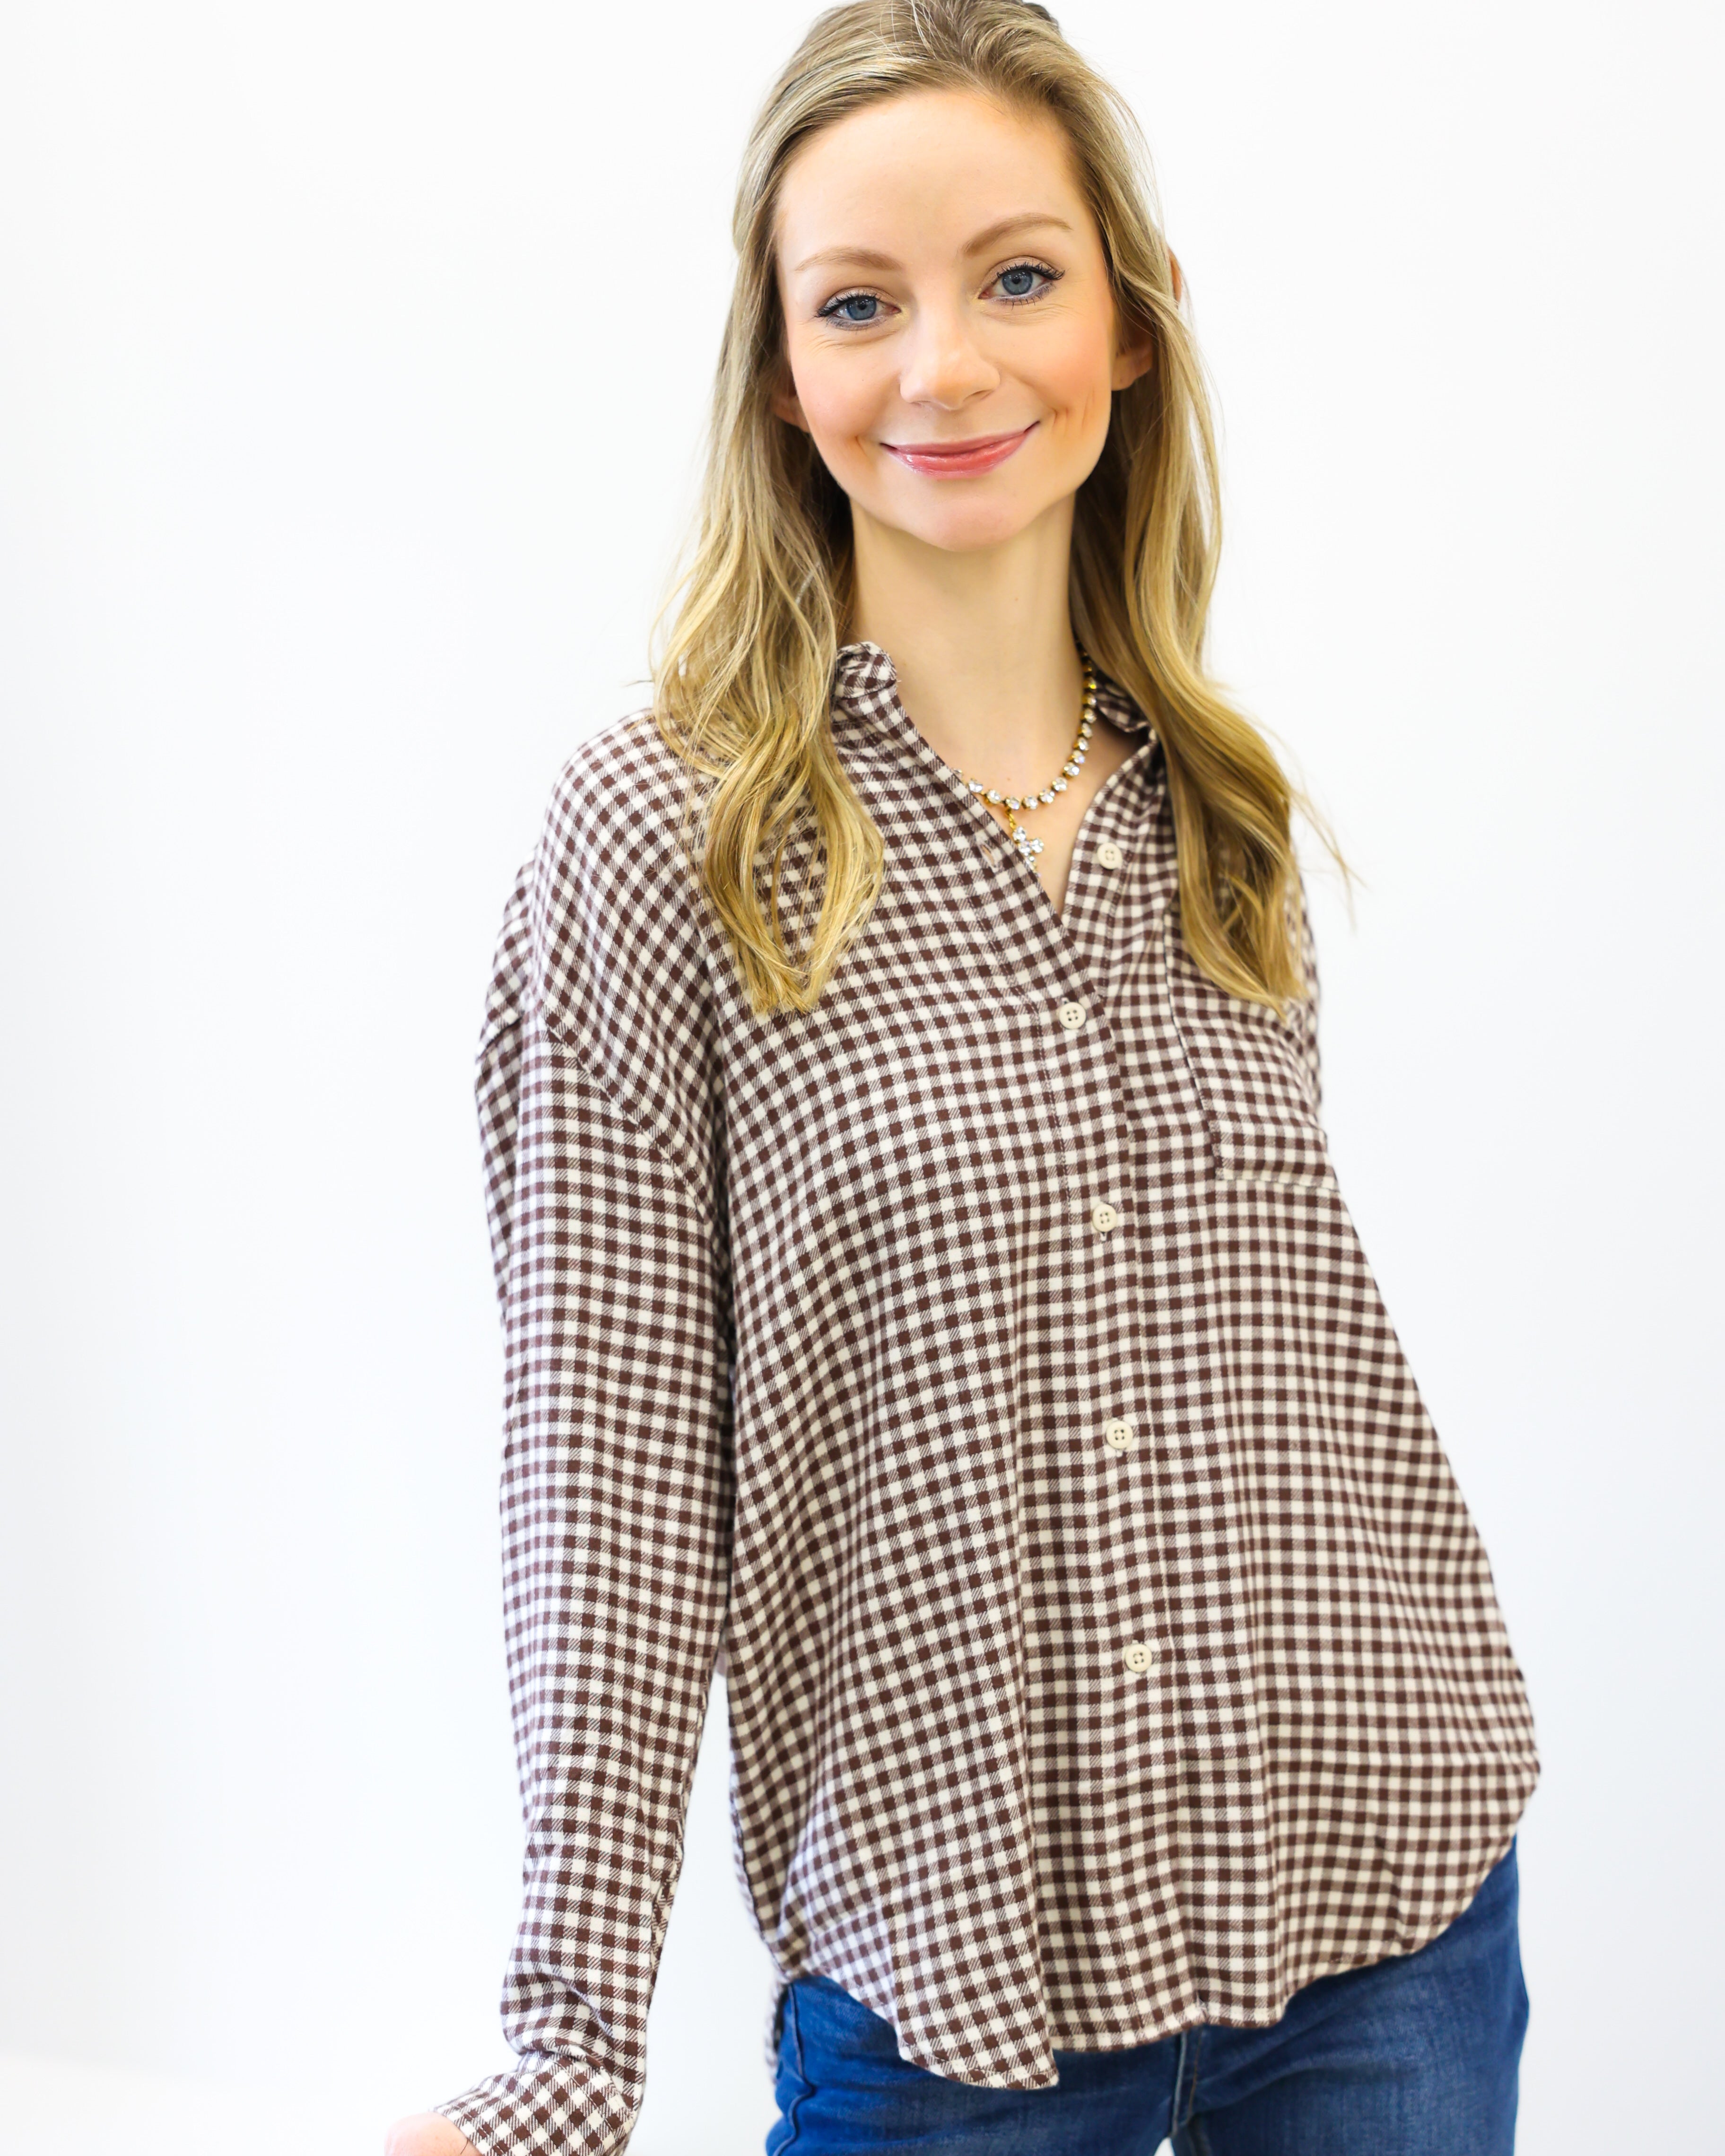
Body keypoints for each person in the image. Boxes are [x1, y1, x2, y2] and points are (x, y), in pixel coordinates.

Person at [387, 4, 1538, 2151]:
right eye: (859, 304)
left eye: (1018, 275)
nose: (944, 366)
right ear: (781, 373)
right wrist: (568, 2039)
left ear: (1128, 325)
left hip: (1392, 1906)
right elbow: (608, 1476)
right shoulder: (661, 839)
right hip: (955, 2000)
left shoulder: (1219, 808)